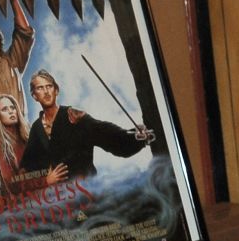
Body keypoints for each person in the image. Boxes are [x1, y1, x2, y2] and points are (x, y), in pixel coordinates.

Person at [19, 70, 153, 181]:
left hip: (87, 191)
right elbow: (27, 167)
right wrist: (45, 180)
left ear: (56, 90)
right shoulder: (37, 128)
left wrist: (135, 137)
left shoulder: (74, 116)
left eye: (49, 86)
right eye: (40, 88)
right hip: (60, 200)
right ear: (34, 95)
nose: (46, 91)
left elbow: (105, 133)